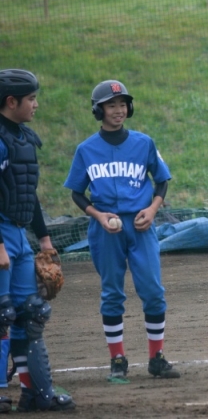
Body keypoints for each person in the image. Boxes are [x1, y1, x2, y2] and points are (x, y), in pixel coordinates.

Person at [64, 80, 180, 381]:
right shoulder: (86, 149)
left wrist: (152, 210)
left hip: (141, 225)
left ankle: (157, 358)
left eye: (122, 104)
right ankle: (117, 359)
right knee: (112, 292)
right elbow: (77, 193)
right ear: (98, 110)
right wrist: (98, 215)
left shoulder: (144, 143)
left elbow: (161, 181)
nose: (118, 110)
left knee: (153, 290)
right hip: (105, 230)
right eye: (111, 105)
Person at [0, 69, 76, 411]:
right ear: (10, 101)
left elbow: (26, 193)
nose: (36, 104)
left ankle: (35, 393)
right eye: (31, 99)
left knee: (29, 314)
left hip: (18, 233)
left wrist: (44, 239)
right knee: (1, 314)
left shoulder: (23, 138)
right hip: (1, 234)